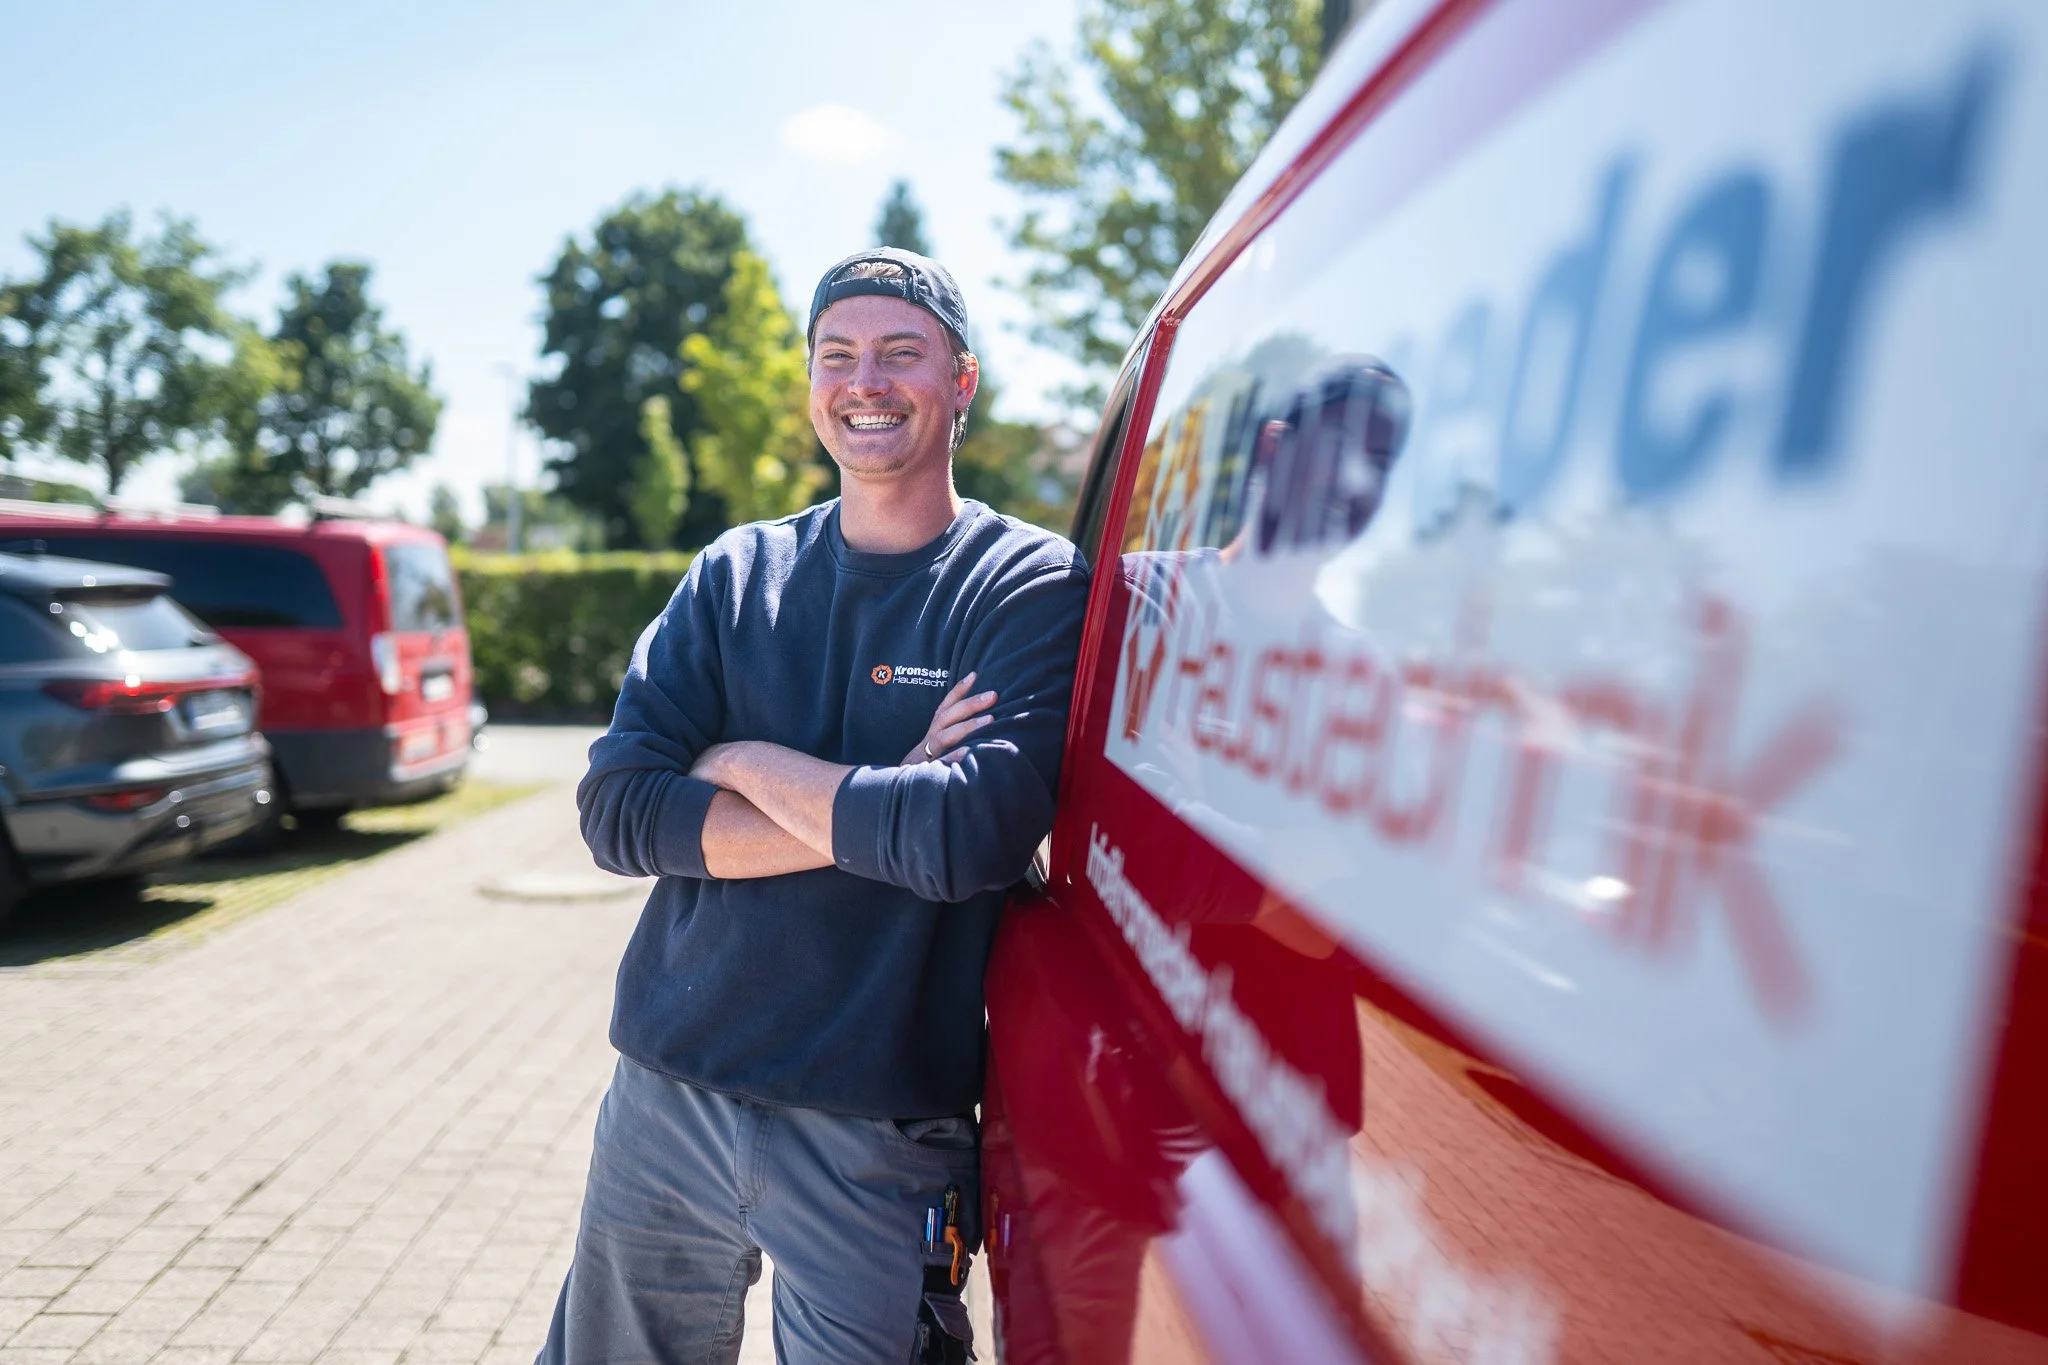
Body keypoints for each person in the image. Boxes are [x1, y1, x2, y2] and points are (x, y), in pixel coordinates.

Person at [537, 247, 1091, 1365]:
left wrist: (735, 755)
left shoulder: (1023, 585)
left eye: (900, 352)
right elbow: (617, 814)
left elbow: (962, 835)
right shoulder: (735, 576)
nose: (864, 380)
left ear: (962, 382)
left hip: (877, 1127)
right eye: (836, 355)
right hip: (666, 1093)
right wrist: (879, 797)